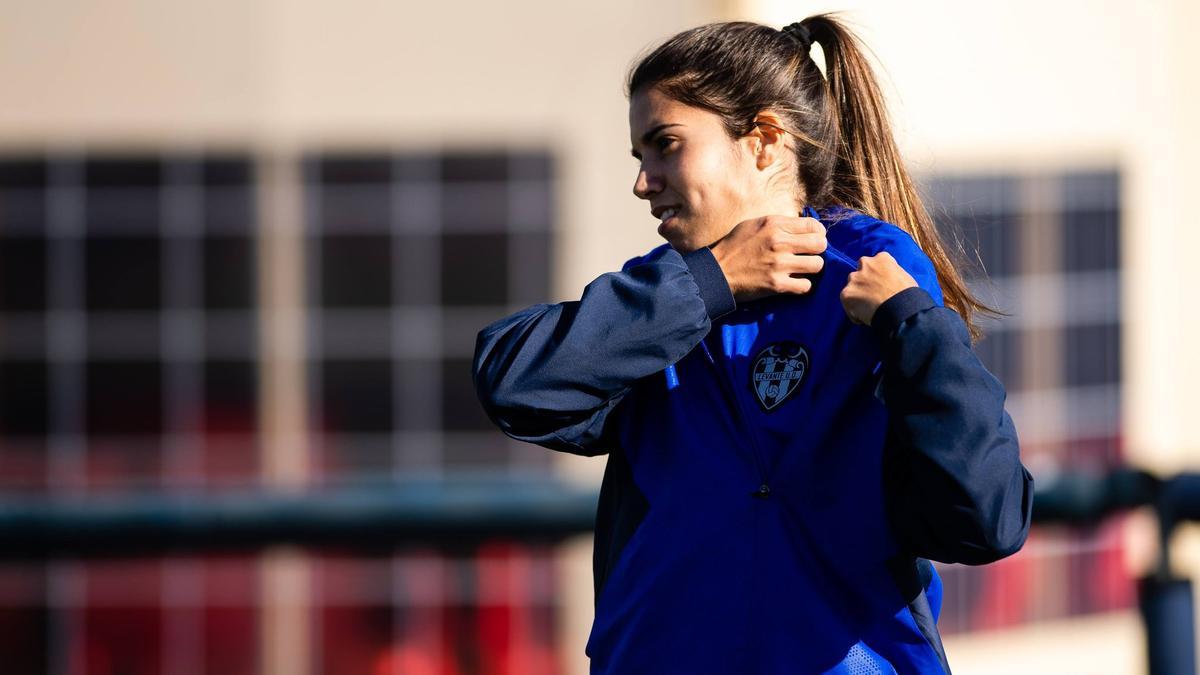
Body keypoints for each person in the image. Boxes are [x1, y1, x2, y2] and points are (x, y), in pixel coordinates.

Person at [473, 15, 1033, 674]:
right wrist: (711, 281)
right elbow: (511, 382)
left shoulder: (878, 278)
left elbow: (987, 516)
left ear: (765, 140)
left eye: (666, 144)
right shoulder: (665, 296)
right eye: (639, 156)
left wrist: (912, 324)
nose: (644, 180)